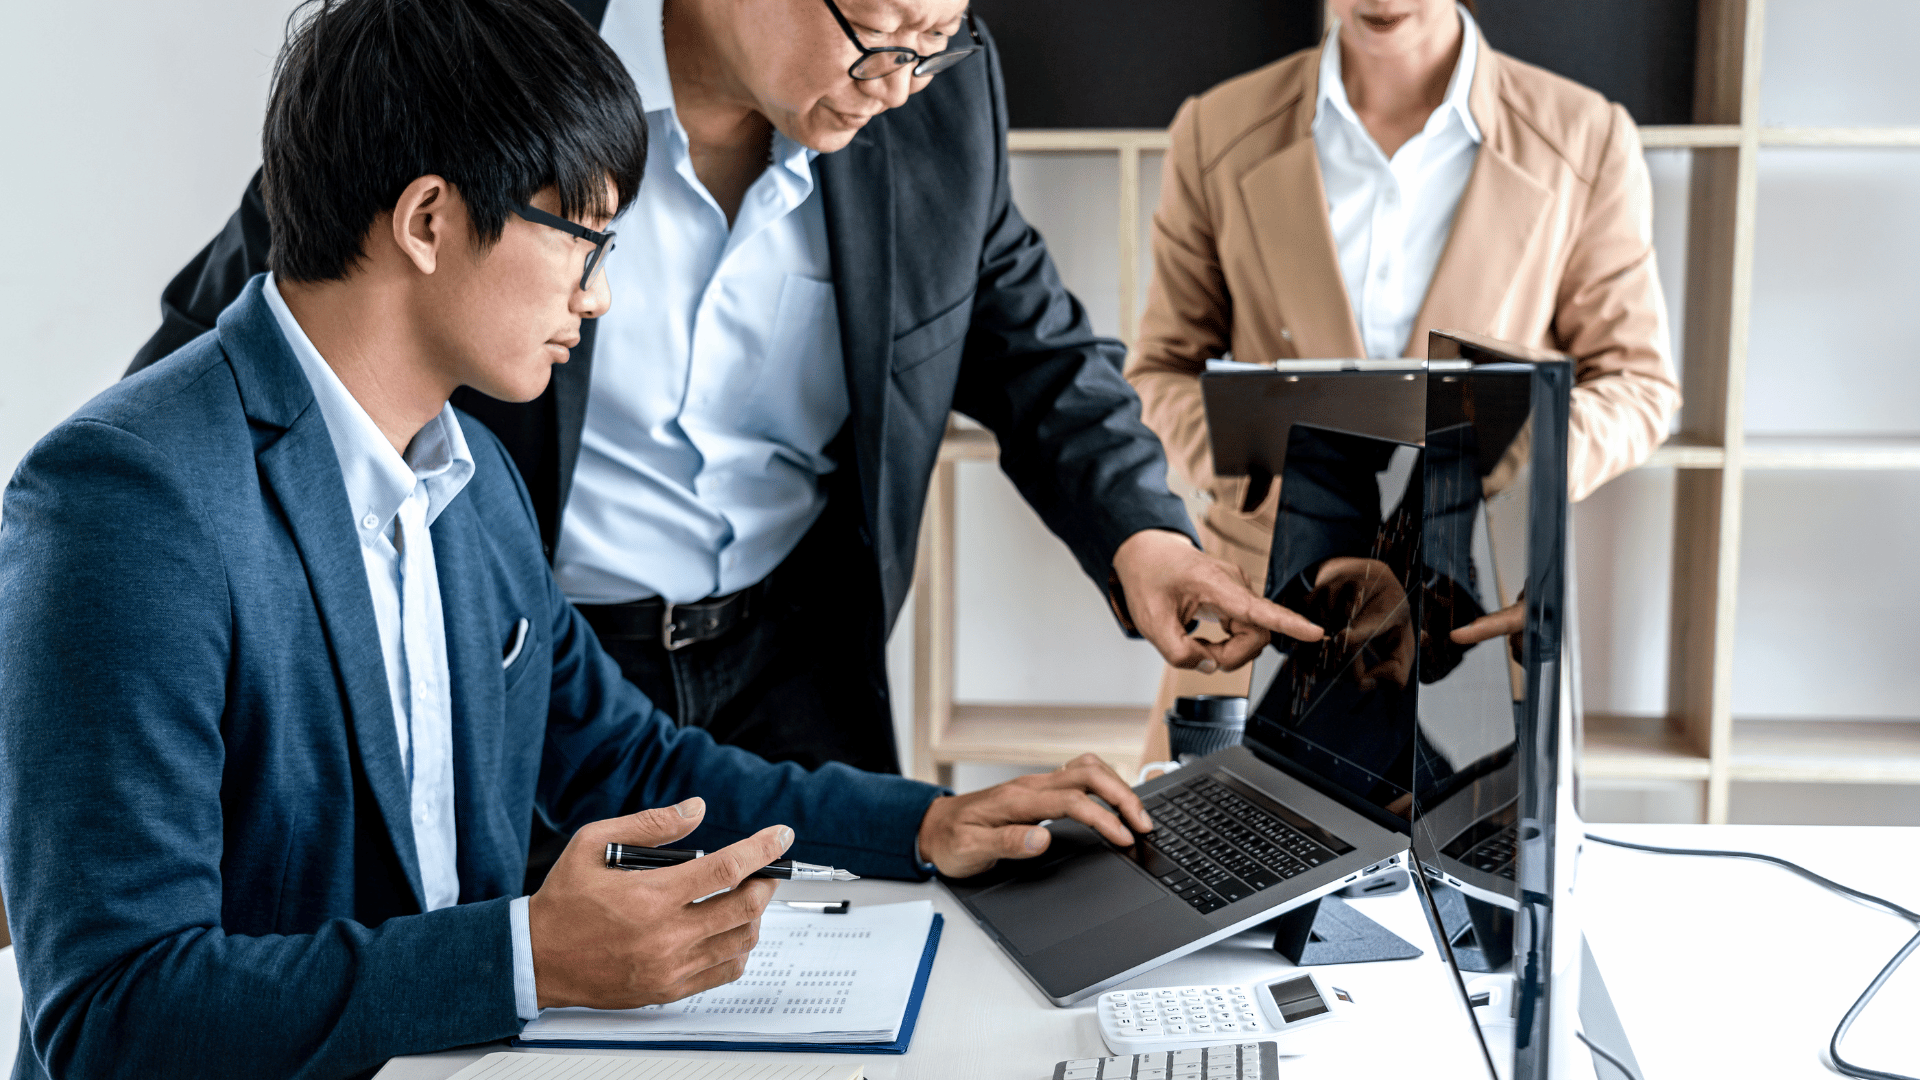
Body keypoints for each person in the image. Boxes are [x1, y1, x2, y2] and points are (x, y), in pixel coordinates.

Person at [0, 2, 1154, 1075]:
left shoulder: (471, 477)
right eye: (584, 242)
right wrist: (529, 961)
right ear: (429, 219)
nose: (600, 300)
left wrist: (932, 822)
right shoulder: (124, 503)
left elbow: (634, 765)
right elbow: (115, 1012)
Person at [125, 0, 1320, 823]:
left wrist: (1144, 534)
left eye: (932, 45)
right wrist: (117, 561)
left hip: (801, 653)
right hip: (542, 654)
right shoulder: (486, 56)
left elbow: (1024, 334)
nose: (898, 86)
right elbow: (254, 318)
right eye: (876, 40)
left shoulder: (933, 98)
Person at [1126, 0, 1681, 766]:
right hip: (1261, 611)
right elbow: (1160, 373)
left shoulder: (1584, 135)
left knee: (1470, 870)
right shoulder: (1214, 128)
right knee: (1229, 862)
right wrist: (1263, 475)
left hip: (1471, 618)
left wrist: (1517, 465)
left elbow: (1638, 382)